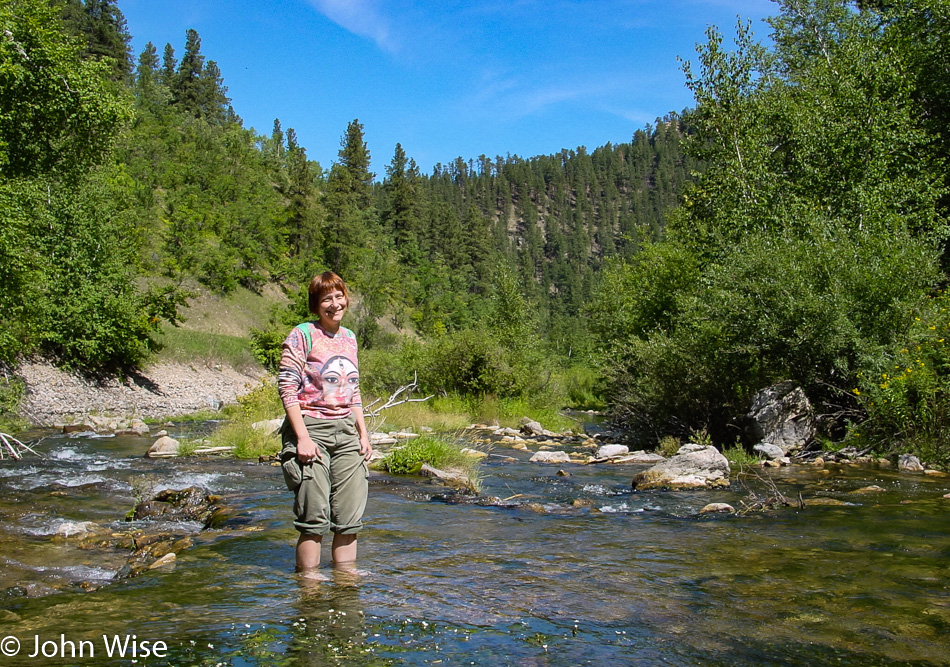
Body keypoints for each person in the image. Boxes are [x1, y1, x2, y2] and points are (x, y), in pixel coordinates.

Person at [278, 271, 373, 577]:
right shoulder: (303, 334)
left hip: (346, 430)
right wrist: (302, 438)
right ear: (316, 305)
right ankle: (309, 590)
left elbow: (353, 390)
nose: (334, 304)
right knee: (314, 517)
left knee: (349, 517)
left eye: (339, 296)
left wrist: (363, 434)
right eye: (326, 299)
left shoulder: (350, 338)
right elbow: (287, 388)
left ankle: (345, 587)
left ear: (346, 297)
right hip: (310, 428)